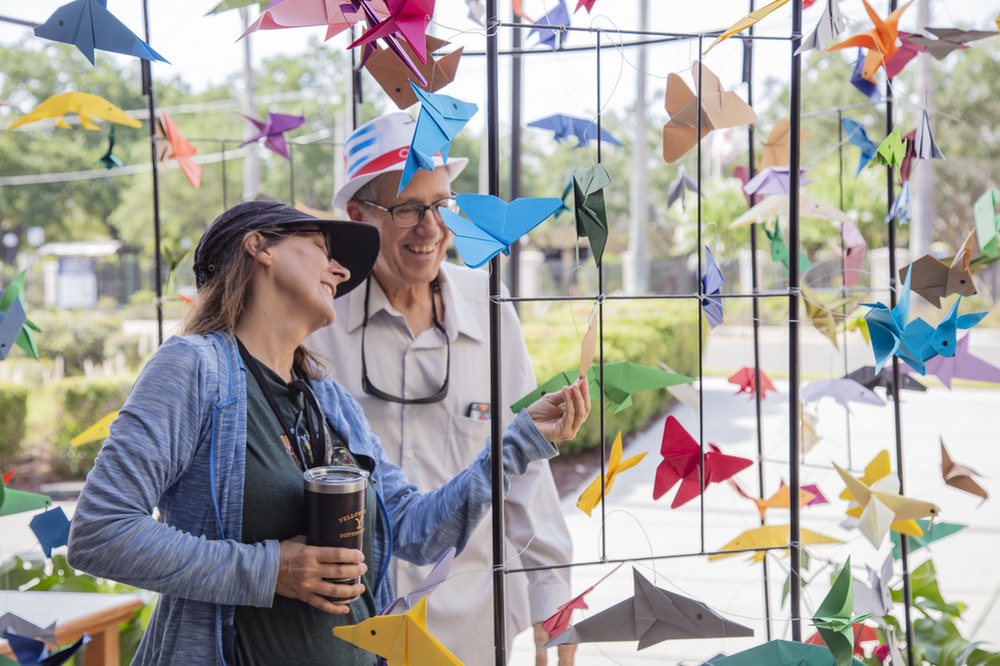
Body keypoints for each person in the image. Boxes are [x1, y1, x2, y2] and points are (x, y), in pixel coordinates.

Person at [66, 200, 590, 666]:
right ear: (259, 247)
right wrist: (270, 569)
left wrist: (519, 443)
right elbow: (100, 533)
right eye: (321, 248)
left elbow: (414, 530)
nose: (340, 270)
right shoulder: (192, 368)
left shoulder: (329, 399)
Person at [307, 111, 576, 666]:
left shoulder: (491, 309)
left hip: (473, 627)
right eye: (407, 209)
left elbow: (526, 474)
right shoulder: (316, 323)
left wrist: (556, 612)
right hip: (351, 628)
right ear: (357, 217)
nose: (431, 228)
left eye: (440, 205)